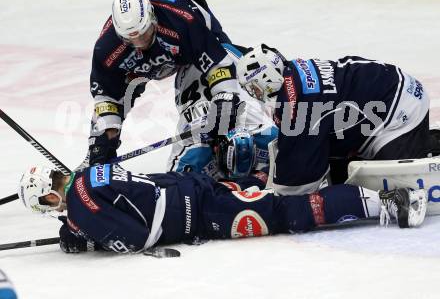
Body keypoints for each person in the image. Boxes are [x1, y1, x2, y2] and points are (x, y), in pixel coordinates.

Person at [17, 164, 427, 254]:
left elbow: (136, 240)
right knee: (276, 188)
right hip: (194, 186)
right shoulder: (91, 173)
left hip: (203, 215)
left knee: (289, 213)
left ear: (48, 197)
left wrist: (88, 234)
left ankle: (392, 203)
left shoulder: (80, 208)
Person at [236, 44, 440, 195]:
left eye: (254, 88)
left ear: (266, 78)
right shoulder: (295, 73)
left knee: (385, 184)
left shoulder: (296, 101)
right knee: (340, 164)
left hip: (400, 111)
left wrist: (269, 197)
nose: (256, 94)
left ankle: (426, 145)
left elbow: (296, 184)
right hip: (397, 90)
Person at [86, 0, 244, 167]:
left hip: (190, 52)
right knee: (103, 137)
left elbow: (220, 65)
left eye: (144, 35)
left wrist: (223, 103)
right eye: (130, 40)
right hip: (146, 64)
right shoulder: (107, 47)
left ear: (153, 19)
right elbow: (107, 98)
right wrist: (102, 142)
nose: (139, 44)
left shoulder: (184, 22)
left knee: (208, 109)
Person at [167, 37, 278, 183]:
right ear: (216, 150)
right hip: (193, 71)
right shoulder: (194, 149)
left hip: (228, 60)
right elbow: (171, 189)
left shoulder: (263, 131)